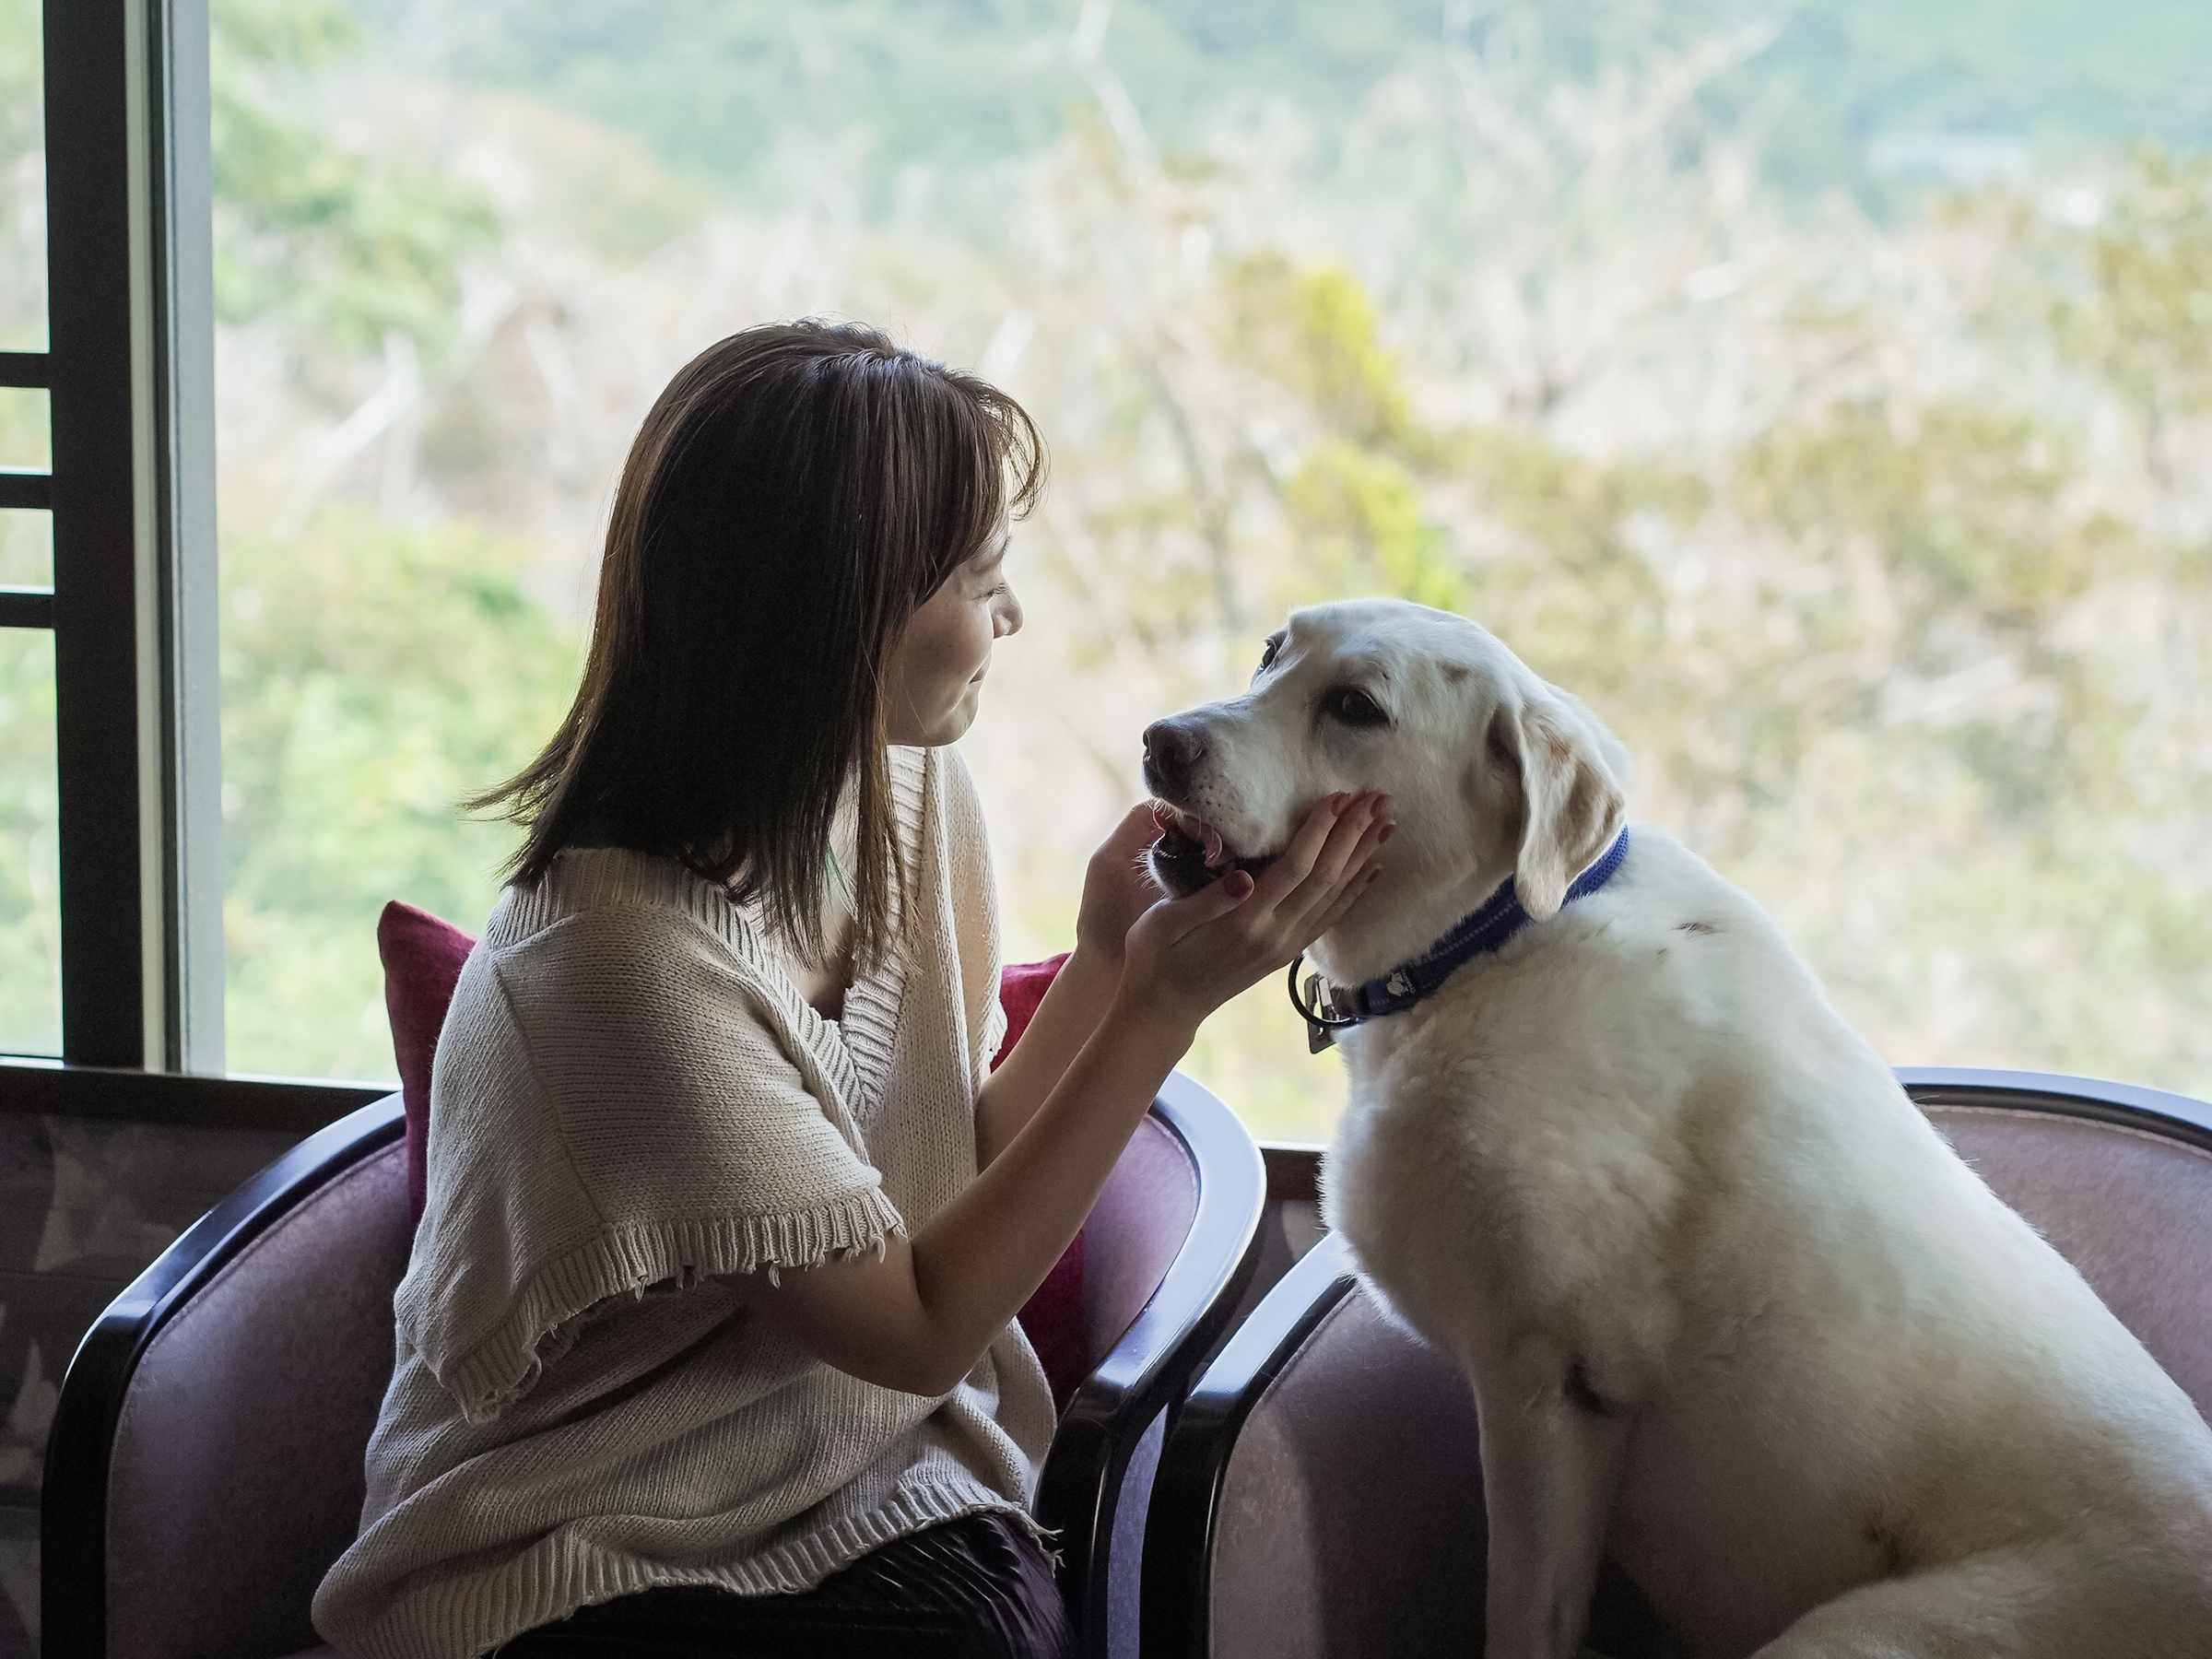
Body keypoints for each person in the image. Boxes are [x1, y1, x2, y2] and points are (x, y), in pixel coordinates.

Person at [311, 321, 1389, 1659]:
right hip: (576, 1549)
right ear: (841, 611)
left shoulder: (913, 795)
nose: (1011, 617)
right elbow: (922, 1332)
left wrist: (1111, 963)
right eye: (980, 579)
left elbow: (944, 1171)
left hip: (858, 1473)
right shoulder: (615, 965)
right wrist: (1159, 1014)